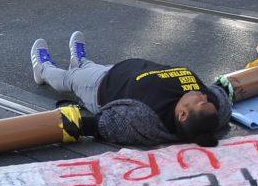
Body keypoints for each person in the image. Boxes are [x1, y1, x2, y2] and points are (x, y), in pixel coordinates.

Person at [30, 32, 231, 147]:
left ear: (183, 115)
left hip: (99, 87)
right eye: (207, 100)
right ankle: (82, 62)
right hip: (119, 71)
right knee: (90, 68)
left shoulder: (147, 119)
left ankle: (43, 70)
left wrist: (72, 123)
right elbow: (223, 98)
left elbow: (103, 125)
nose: (204, 95)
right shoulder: (213, 111)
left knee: (68, 78)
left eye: (201, 101)